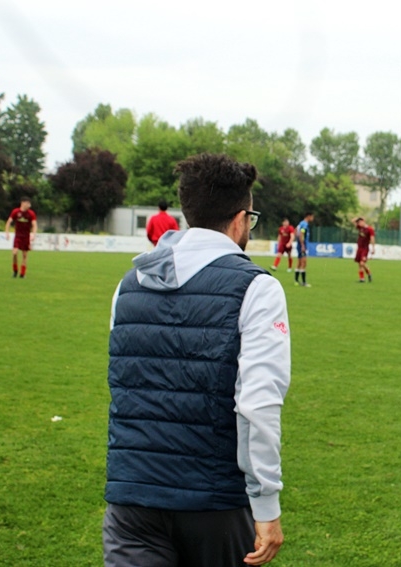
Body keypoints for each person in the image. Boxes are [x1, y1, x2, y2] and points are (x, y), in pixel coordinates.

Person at [103, 153, 290, 567]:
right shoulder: (258, 289)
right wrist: (266, 505)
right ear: (240, 220)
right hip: (214, 503)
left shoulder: (127, 285)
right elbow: (257, 405)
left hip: (132, 500)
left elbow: (125, 386)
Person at [4, 197, 37, 278]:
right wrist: (7, 232)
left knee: (25, 255)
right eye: (27, 203)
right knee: (14, 253)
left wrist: (33, 234)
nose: (29, 205)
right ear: (23, 203)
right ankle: (15, 270)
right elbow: (9, 222)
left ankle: (22, 273)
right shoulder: (16, 212)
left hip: (26, 237)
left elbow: (34, 224)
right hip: (18, 236)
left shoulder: (31, 213)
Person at [294, 212, 314, 287]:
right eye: (312, 217)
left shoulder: (300, 223)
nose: (313, 218)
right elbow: (301, 234)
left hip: (299, 245)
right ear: (308, 216)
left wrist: (297, 239)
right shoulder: (305, 224)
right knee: (304, 263)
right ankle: (304, 282)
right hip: (302, 245)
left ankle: (296, 281)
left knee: (299, 263)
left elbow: (295, 231)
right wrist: (302, 245)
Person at [354, 217, 375, 283]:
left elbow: (372, 238)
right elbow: (353, 221)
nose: (358, 223)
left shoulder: (370, 229)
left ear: (363, 221)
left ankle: (369, 273)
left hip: (365, 248)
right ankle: (362, 278)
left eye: (360, 222)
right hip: (359, 248)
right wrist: (358, 218)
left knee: (362, 263)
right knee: (360, 264)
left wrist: (373, 248)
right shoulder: (360, 228)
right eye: (358, 222)